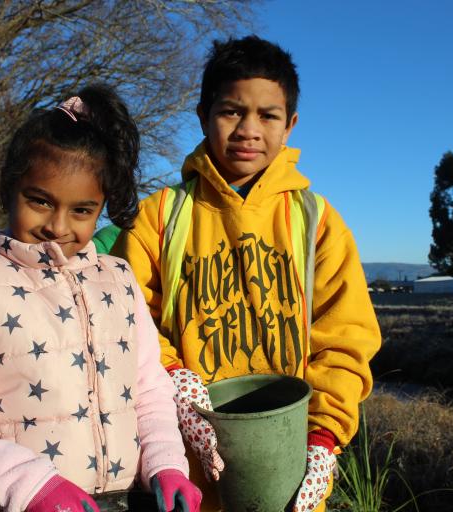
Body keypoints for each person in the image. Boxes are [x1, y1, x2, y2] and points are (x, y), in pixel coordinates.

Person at [103, 36, 382, 512]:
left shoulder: (318, 221)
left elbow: (345, 339)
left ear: (290, 124)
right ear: (203, 115)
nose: (249, 130)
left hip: (287, 468)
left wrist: (323, 435)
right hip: (182, 470)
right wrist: (172, 375)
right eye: (232, 111)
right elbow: (128, 319)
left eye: (268, 116)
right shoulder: (160, 216)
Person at [0, 84, 201, 512]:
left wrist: (167, 465)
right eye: (40, 201)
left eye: (82, 210)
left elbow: (149, 392)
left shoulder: (119, 281)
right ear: (10, 189)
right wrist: (33, 489)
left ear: (101, 208)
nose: (57, 226)